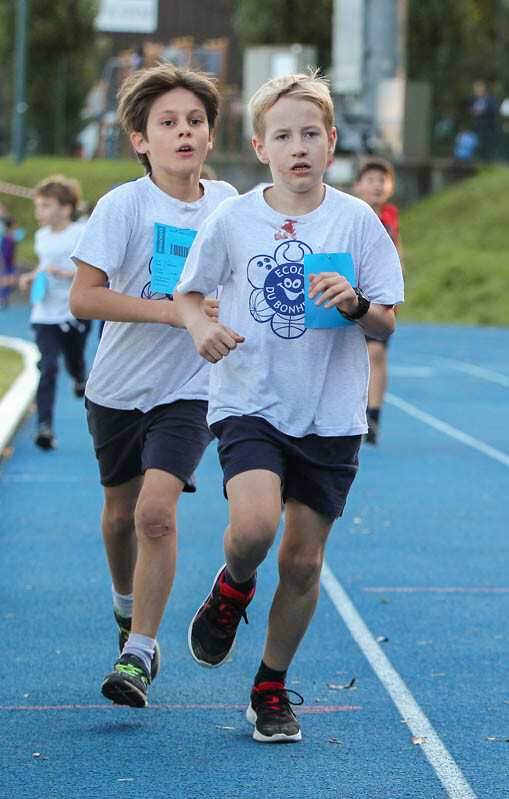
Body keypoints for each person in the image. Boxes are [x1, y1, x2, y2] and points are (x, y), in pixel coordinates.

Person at [175, 71, 403, 744]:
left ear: (331, 142)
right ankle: (233, 585)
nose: (297, 147)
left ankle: (269, 686)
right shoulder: (233, 219)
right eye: (283, 136)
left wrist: (356, 304)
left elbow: (386, 322)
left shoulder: (357, 221)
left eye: (310, 134)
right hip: (250, 397)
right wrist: (200, 328)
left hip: (330, 413)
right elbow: (189, 293)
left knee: (302, 563)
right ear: (260, 146)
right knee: (253, 529)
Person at [69, 63, 237, 708]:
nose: (184, 132)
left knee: (154, 513)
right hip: (118, 388)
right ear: (141, 140)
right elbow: (85, 298)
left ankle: (138, 652)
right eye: (168, 122)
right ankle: (125, 606)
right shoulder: (124, 205)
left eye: (195, 121)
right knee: (119, 516)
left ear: (211, 134)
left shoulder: (228, 205)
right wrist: (173, 312)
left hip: (191, 387)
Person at [17, 176, 91, 449]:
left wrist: (62, 273)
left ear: (66, 208)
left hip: (74, 311)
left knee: (74, 359)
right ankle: (44, 427)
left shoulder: (80, 233)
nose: (40, 212)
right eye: (39, 206)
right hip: (45, 313)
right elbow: (43, 265)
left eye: (46, 206)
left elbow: (90, 271)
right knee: (47, 367)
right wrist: (31, 277)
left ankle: (80, 376)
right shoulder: (41, 237)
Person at [351, 156, 402, 445]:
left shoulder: (391, 215)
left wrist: (398, 275)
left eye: (382, 180)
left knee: (377, 352)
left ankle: (374, 414)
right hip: (349, 291)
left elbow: (396, 246)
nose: (377, 185)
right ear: (358, 185)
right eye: (371, 180)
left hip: (378, 294)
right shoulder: (350, 213)